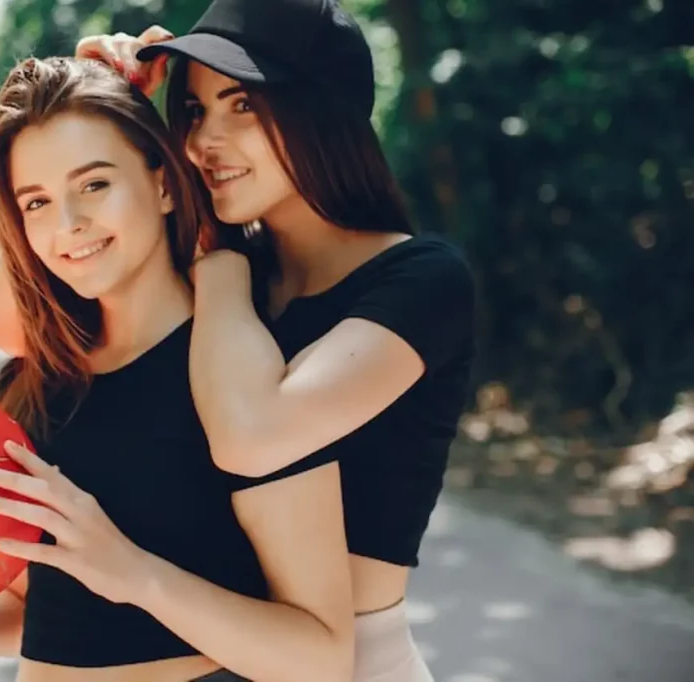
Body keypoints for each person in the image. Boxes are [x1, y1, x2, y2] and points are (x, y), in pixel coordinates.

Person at [0, 55, 356, 682]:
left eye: (94, 185)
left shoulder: (240, 374)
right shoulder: (36, 383)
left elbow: (321, 657)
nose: (68, 225)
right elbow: (40, 618)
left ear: (163, 184)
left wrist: (134, 573)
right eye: (37, 202)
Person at [75, 0, 478, 680]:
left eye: (242, 105)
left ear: (323, 114)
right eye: (194, 111)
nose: (202, 142)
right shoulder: (228, 280)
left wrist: (219, 263)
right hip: (207, 647)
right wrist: (100, 109)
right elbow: (19, 323)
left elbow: (251, 437)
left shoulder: (423, 282)